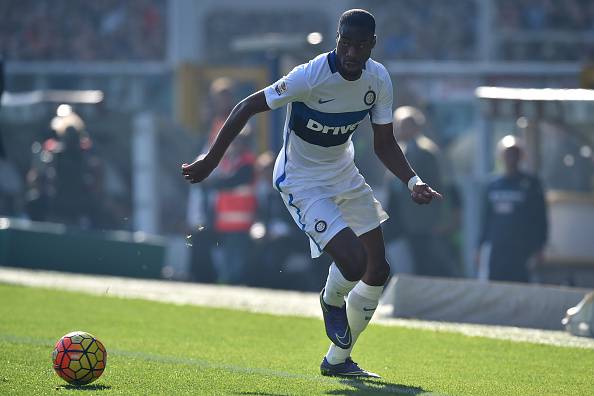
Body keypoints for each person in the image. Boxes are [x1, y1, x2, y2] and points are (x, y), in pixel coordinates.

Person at [182, 9, 441, 378]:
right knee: (352, 263)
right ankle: (330, 300)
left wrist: (413, 182)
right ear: (337, 40)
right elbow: (246, 106)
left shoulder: (378, 79)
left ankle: (337, 360)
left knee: (378, 269)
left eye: (359, 46)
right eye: (345, 44)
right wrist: (211, 160)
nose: (351, 53)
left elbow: (384, 143)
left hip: (344, 174)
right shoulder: (310, 75)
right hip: (300, 180)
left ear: (372, 45)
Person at [384, 106, 455, 277]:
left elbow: (437, 186)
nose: (400, 129)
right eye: (398, 124)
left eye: (405, 124)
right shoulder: (398, 150)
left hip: (421, 223)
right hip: (399, 222)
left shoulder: (426, 152)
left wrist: (439, 219)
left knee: (424, 264)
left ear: (417, 127)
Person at [478, 135, 548, 283]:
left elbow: (540, 218)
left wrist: (540, 247)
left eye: (515, 153)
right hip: (498, 249)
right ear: (501, 156)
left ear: (521, 156)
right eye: (507, 153)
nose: (511, 157)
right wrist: (479, 246)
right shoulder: (493, 185)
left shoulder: (531, 184)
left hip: (522, 249)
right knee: (495, 285)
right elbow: (485, 217)